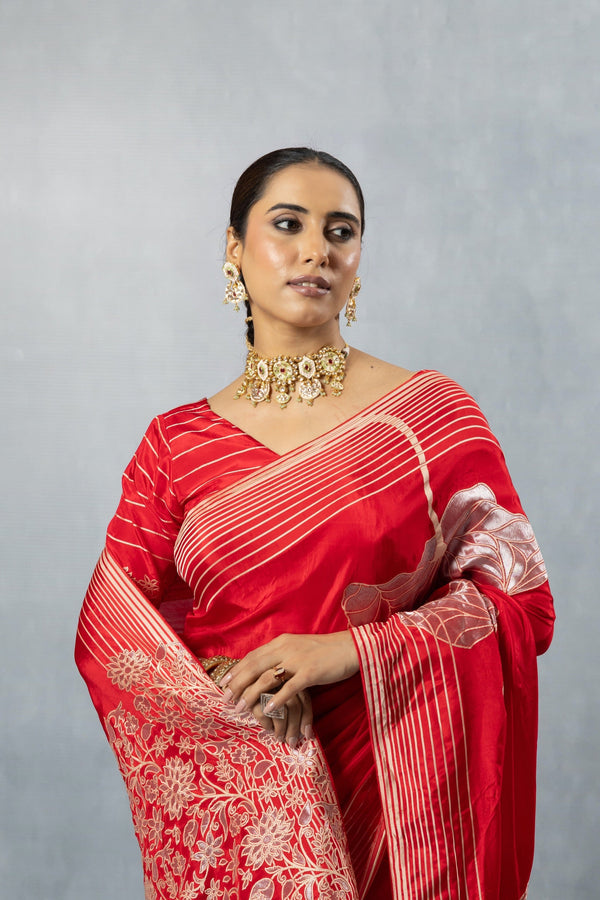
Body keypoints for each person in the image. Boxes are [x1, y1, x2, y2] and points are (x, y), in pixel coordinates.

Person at [76, 147, 555, 900]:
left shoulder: (427, 417)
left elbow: (521, 600)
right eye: (288, 224)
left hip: (408, 799)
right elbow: (116, 641)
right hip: (259, 806)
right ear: (235, 249)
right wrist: (230, 683)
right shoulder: (174, 447)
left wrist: (352, 650)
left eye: (341, 231)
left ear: (359, 259)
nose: (315, 251)